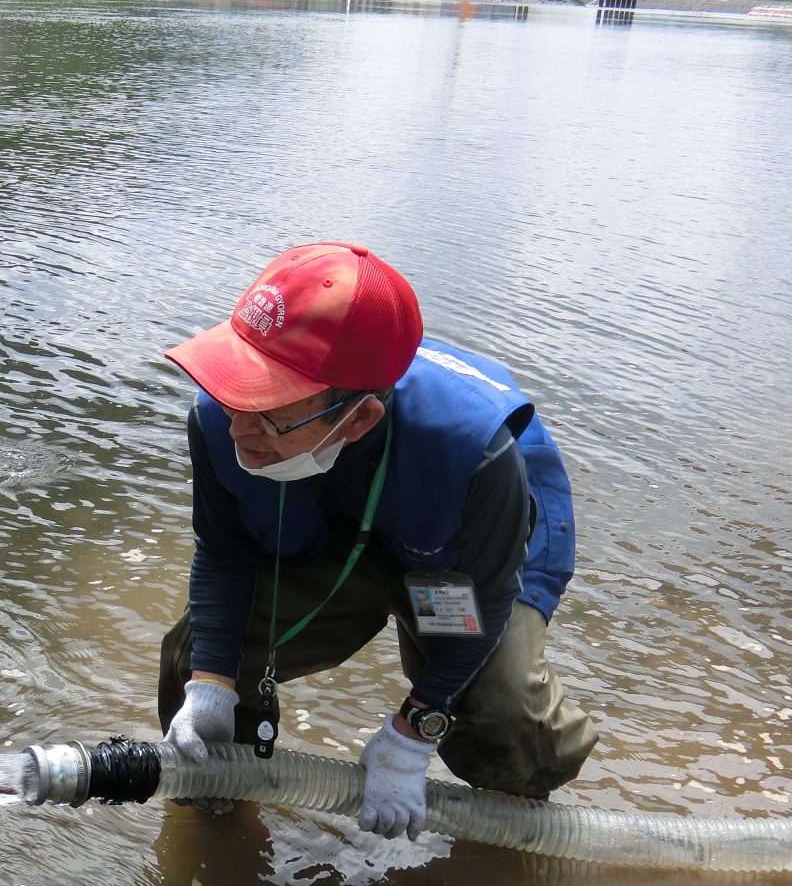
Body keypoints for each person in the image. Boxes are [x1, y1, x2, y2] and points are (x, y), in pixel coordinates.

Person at [156, 241, 598, 839]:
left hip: (449, 559)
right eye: (237, 387)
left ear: (359, 417)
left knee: (506, 713)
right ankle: (220, 808)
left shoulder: (476, 456)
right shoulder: (222, 421)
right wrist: (212, 683)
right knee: (197, 655)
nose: (238, 424)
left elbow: (486, 599)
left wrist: (413, 733)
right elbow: (225, 550)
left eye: (270, 407)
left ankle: (507, 834)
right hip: (322, 526)